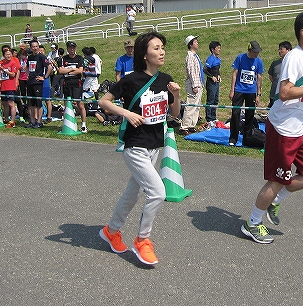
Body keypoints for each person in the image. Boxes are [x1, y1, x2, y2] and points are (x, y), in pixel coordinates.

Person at [241, 11, 303, 244]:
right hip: (283, 130)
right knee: (278, 178)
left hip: (300, 128)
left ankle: (276, 201)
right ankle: (252, 223)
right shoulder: (294, 57)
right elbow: (285, 92)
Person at [98, 31, 181, 265]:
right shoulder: (130, 79)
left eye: (162, 47)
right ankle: (142, 240)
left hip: (156, 146)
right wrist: (127, 113)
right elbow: (103, 102)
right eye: (156, 48)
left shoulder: (165, 79)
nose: (161, 51)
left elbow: (174, 115)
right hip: (135, 147)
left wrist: (176, 95)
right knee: (158, 193)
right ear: (144, 54)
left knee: (132, 193)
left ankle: (111, 231)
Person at [228, 41, 264, 147]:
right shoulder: (240, 58)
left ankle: (248, 137)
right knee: (235, 113)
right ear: (250, 50)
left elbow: (259, 78)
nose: (257, 54)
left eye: (258, 52)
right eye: (255, 52)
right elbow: (235, 74)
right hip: (239, 89)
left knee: (250, 115)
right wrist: (232, 90)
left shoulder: (259, 62)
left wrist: (258, 94)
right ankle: (233, 138)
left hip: (251, 91)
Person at [56, 41, 87, 132]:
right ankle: (67, 123)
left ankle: (83, 124)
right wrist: (73, 69)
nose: (72, 50)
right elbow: (60, 71)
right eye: (70, 48)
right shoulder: (63, 59)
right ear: (67, 49)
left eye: (73, 48)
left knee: (79, 103)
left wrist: (68, 70)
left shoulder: (79, 58)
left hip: (77, 83)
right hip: (67, 83)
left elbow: (80, 71)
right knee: (67, 103)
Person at [179, 35, 204, 134]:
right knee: (191, 105)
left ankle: (191, 125)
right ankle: (184, 126)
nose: (197, 43)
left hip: (199, 83)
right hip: (194, 85)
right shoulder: (190, 56)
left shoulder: (195, 55)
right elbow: (191, 72)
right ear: (190, 44)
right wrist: (194, 85)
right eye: (195, 42)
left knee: (196, 106)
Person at [26, 39, 52, 128]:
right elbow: (27, 67)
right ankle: (32, 121)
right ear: (31, 48)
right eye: (33, 47)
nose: (35, 48)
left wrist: (44, 78)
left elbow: (49, 67)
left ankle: (39, 122)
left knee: (38, 103)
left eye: (36, 46)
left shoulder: (41, 57)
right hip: (30, 82)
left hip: (38, 83)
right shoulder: (29, 57)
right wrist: (28, 75)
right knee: (30, 104)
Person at [0, 47, 20, 128]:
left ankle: (12, 121)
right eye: (7, 55)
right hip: (3, 86)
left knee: (11, 103)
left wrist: (5, 70)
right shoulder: (1, 62)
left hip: (10, 86)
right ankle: (6, 119)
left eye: (10, 54)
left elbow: (13, 74)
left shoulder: (13, 63)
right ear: (4, 55)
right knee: (5, 104)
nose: (8, 56)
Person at [267, 41, 292, 109]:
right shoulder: (275, 63)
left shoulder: (293, 64)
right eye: (279, 49)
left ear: (288, 50)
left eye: (281, 49)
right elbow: (271, 76)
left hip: (287, 95)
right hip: (274, 94)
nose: (279, 51)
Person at [203, 41, 222, 123]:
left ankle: (214, 117)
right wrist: (211, 76)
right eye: (218, 48)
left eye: (220, 48)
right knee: (210, 100)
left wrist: (219, 76)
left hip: (217, 83)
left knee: (216, 100)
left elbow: (217, 70)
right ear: (212, 50)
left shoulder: (218, 60)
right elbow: (205, 69)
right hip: (211, 83)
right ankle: (209, 118)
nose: (219, 50)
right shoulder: (210, 59)